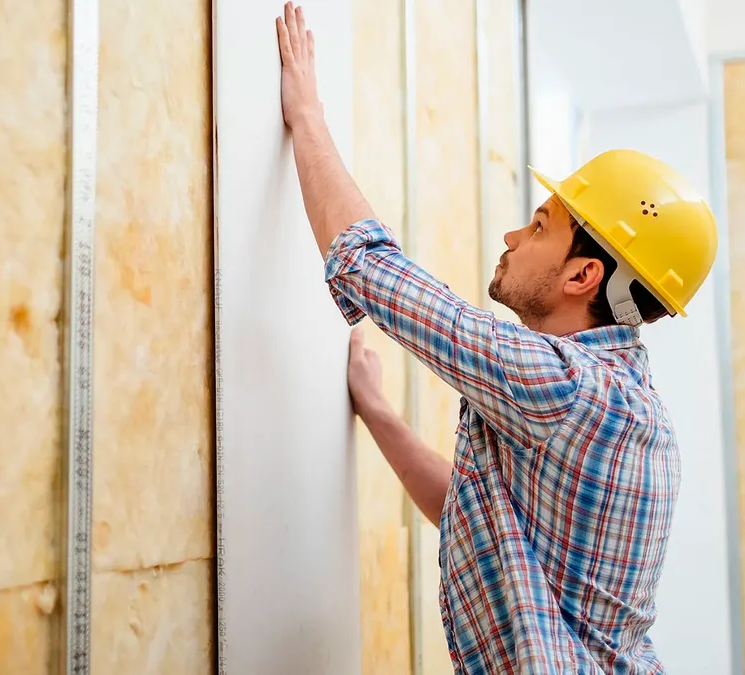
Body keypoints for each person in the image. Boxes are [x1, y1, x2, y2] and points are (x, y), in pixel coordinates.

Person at [275, 3, 719, 673]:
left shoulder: (564, 388)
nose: (514, 236)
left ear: (583, 273)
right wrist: (377, 410)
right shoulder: (623, 402)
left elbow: (370, 267)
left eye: (541, 226)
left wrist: (305, 114)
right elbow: (473, 512)